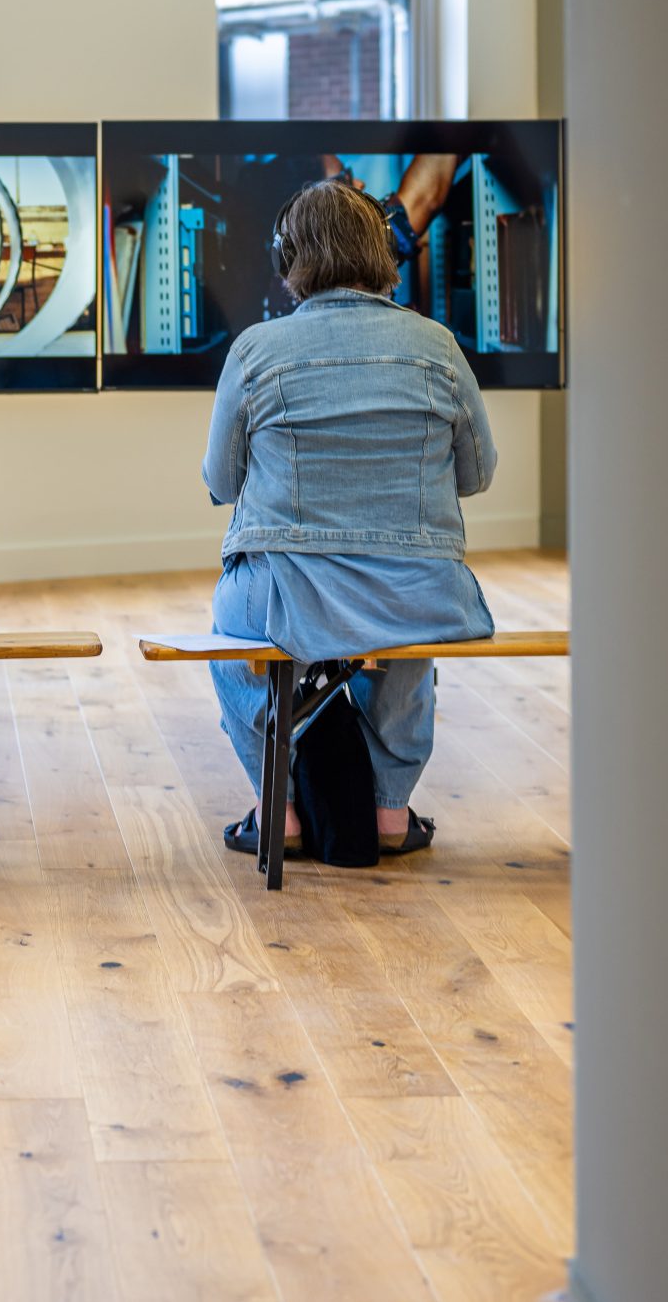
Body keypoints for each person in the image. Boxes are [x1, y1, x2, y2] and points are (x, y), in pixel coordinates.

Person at [204, 178, 499, 856]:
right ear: (381, 250)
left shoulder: (255, 351)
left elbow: (222, 482)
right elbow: (478, 474)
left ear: (289, 258)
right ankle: (391, 811)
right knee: (407, 639)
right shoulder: (439, 346)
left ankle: (276, 811)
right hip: (421, 593)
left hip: (289, 594)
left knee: (230, 643)